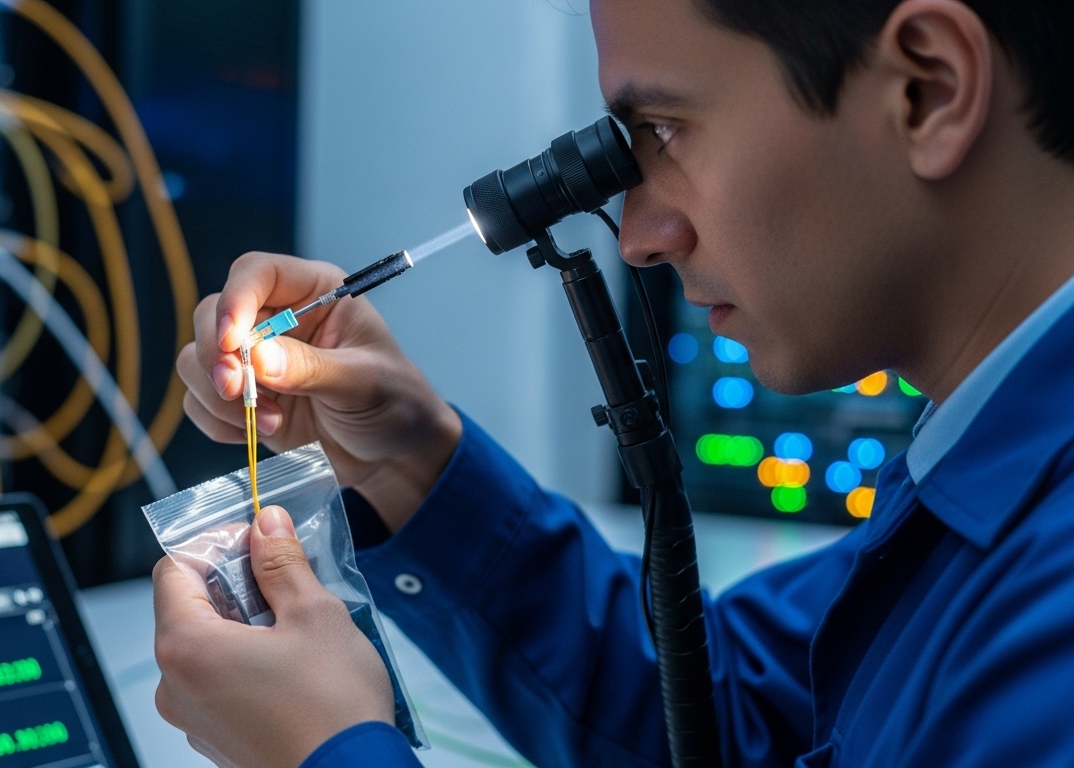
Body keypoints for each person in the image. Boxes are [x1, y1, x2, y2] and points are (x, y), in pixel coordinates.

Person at [153, 0, 1074, 765]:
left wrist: (334, 753)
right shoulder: (986, 471)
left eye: (667, 128)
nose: (636, 236)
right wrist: (409, 461)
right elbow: (727, 718)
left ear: (929, 89)